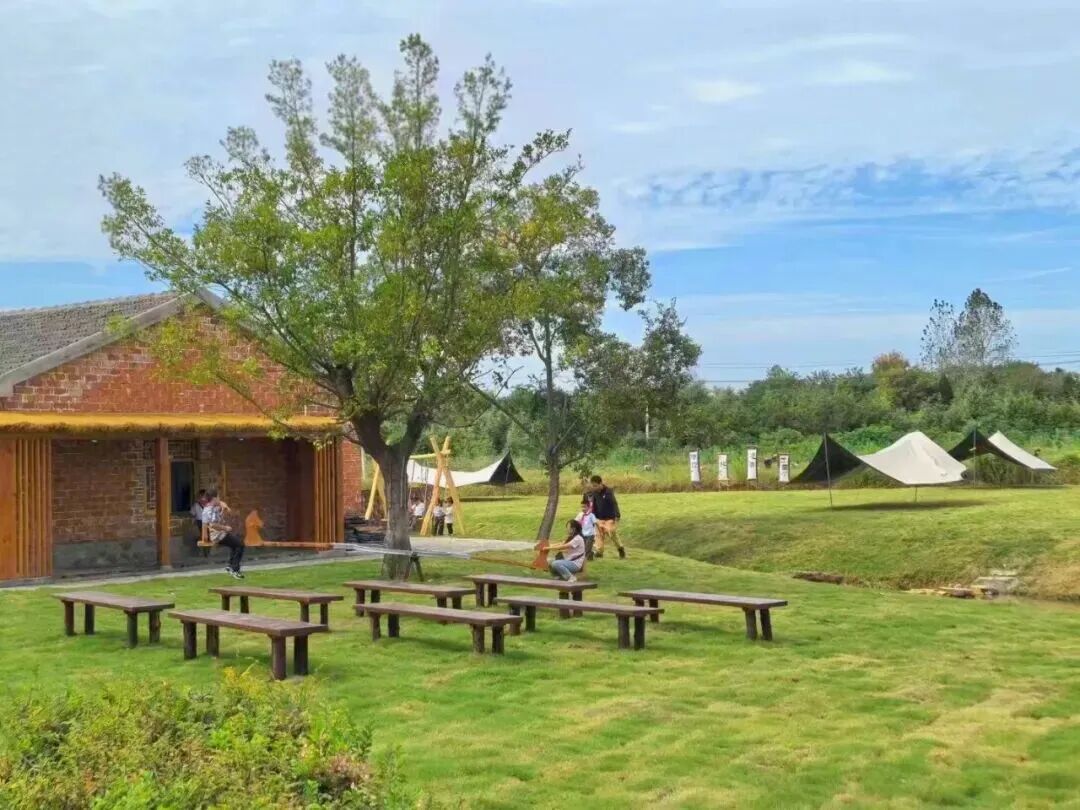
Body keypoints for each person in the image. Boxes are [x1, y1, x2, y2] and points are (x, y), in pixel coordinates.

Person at [203, 488, 245, 578]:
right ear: (214, 498)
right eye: (218, 497)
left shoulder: (210, 507)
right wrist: (225, 528)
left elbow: (221, 504)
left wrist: (225, 506)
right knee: (240, 545)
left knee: (235, 545)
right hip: (218, 535)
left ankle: (231, 566)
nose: (219, 499)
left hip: (219, 534)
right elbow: (213, 525)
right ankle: (235, 569)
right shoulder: (210, 510)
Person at [588, 474, 625, 559]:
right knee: (599, 535)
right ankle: (599, 552)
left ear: (600, 483)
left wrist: (617, 515)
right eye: (593, 486)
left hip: (609, 518)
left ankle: (620, 549)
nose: (594, 487)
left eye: (595, 486)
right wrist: (593, 517)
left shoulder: (608, 492)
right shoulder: (594, 493)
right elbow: (594, 506)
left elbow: (614, 503)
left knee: (611, 533)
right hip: (599, 518)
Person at [190, 489, 210, 557]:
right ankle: (204, 551)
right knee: (203, 536)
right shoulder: (196, 505)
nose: (203, 498)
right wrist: (193, 519)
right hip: (200, 522)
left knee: (208, 536)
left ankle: (207, 551)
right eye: (201, 496)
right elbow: (192, 513)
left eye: (205, 496)